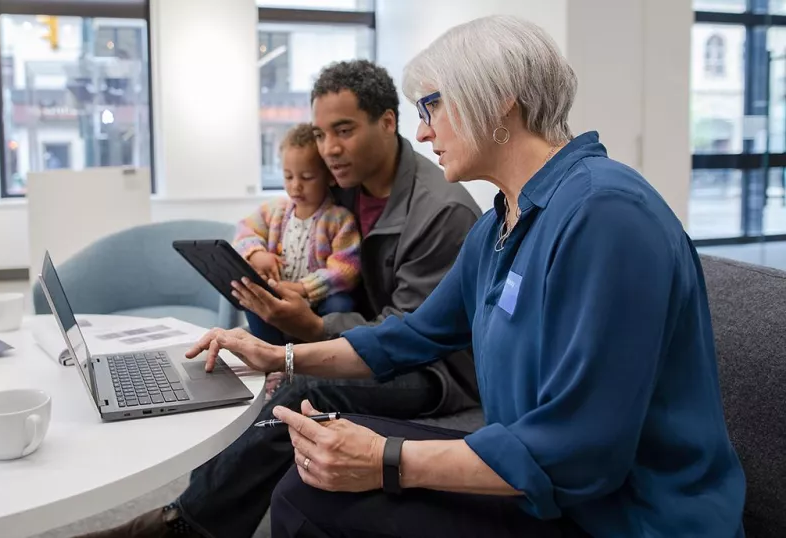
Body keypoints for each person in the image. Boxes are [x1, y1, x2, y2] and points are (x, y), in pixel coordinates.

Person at [187, 16, 746, 538]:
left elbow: (582, 452)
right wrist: (282, 357)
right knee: (308, 473)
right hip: (539, 481)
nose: (424, 134)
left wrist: (384, 459)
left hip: (624, 515)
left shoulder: (606, 215)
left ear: (498, 98)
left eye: (431, 107)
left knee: (313, 500)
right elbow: (408, 336)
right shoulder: (500, 223)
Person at [86, 60, 482, 538]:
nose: (329, 150)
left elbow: (411, 336)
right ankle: (197, 507)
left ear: (388, 122)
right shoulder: (342, 187)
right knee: (252, 370)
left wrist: (310, 333)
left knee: (296, 393)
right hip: (370, 339)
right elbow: (280, 227)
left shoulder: (440, 211)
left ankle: (188, 527)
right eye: (319, 134)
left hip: (434, 372)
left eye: (344, 130)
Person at [235, 122, 361, 353]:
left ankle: (315, 357)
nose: (295, 186)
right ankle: (272, 355)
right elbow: (244, 231)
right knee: (251, 301)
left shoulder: (339, 219)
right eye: (288, 176)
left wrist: (302, 289)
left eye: (307, 177)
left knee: (342, 304)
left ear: (330, 177)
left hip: (318, 302)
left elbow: (345, 270)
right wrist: (257, 253)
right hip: (278, 295)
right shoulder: (275, 211)